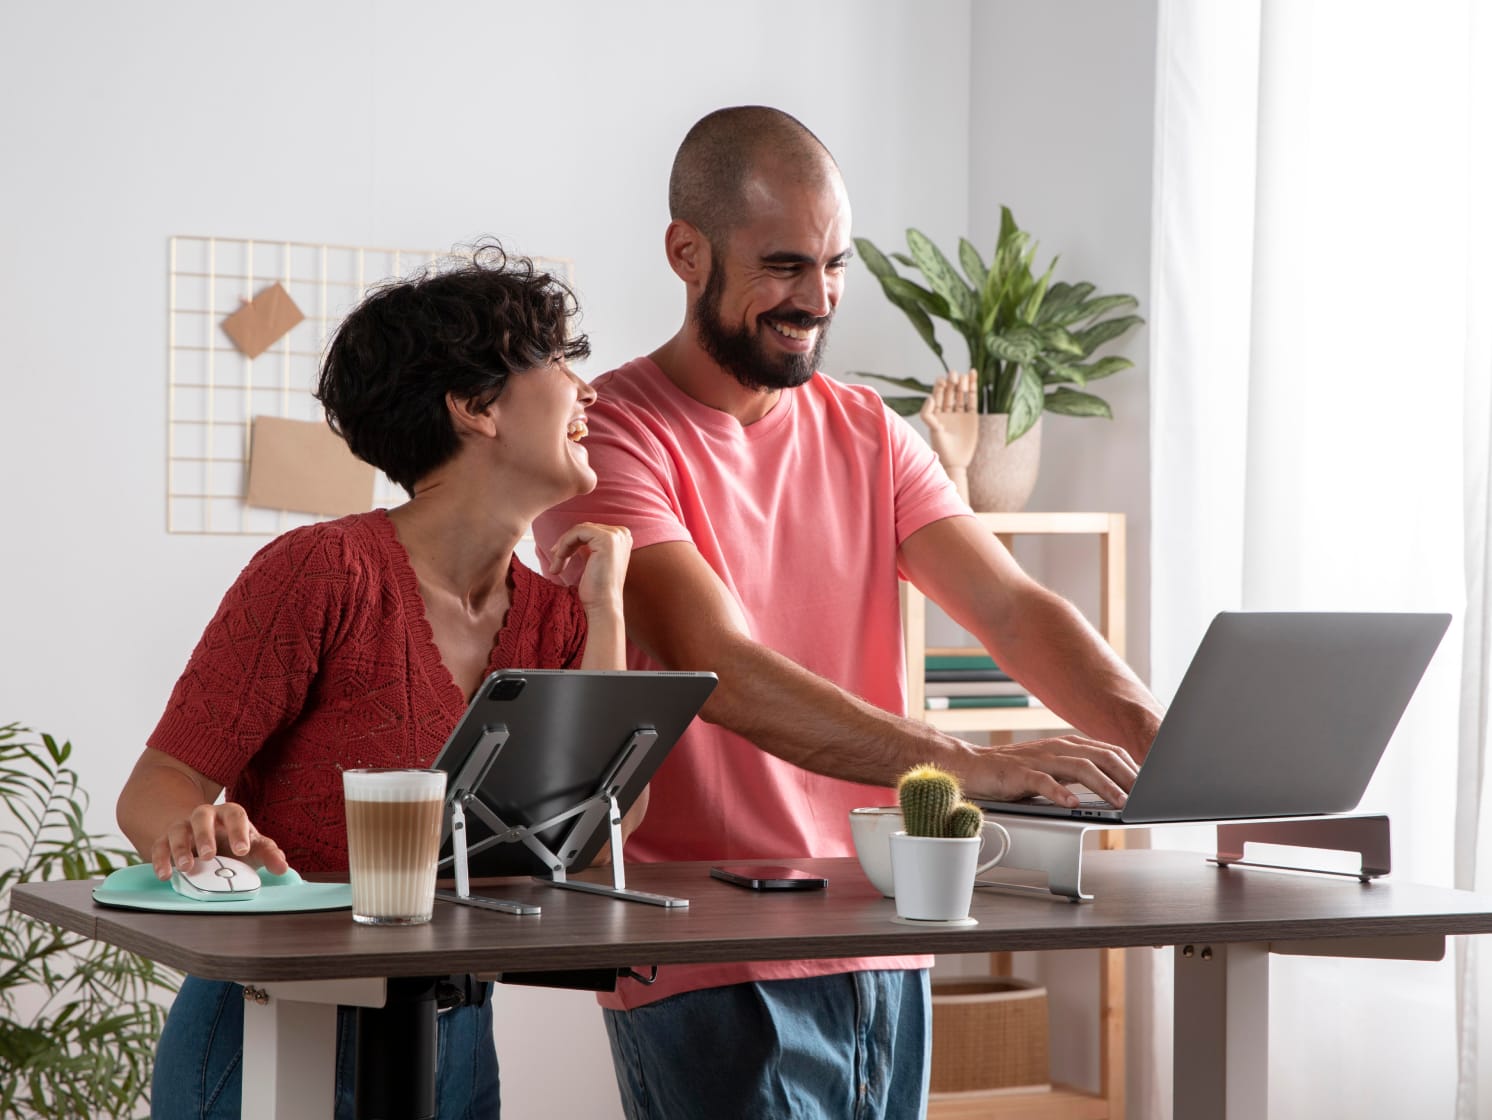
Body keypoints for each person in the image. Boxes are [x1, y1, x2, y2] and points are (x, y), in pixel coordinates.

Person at [533, 106, 1164, 1120]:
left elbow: (1007, 603)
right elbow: (717, 666)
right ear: (685, 253)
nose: (817, 298)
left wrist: (1157, 741)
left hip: (885, 929)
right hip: (708, 949)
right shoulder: (609, 437)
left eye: (834, 265)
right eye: (785, 265)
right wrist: (957, 762)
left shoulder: (869, 427)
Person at [117, 243, 633, 1120]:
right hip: (275, 1031)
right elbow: (155, 788)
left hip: (459, 1036)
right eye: (560, 362)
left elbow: (593, 835)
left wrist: (610, 610)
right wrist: (203, 833)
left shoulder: (564, 617)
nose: (590, 391)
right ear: (477, 408)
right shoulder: (323, 572)